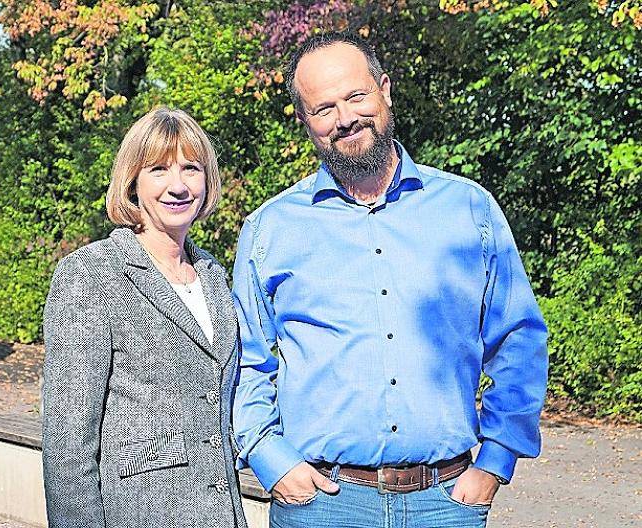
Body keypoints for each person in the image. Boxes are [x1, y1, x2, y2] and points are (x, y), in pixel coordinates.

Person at [232, 32, 549, 528]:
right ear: (305, 121)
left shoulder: (468, 210)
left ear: (384, 90)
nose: (345, 118)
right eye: (324, 108)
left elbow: (519, 338)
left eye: (356, 96)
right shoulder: (270, 229)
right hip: (320, 504)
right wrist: (271, 459)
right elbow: (245, 360)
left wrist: (496, 458)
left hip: (445, 503)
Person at [42, 107, 247, 528]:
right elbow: (68, 443)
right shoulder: (93, 274)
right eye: (158, 169)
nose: (178, 185)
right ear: (132, 181)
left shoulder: (213, 275)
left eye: (191, 168)